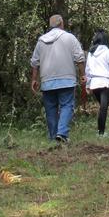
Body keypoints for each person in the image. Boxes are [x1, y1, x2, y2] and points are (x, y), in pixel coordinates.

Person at [30, 14, 85, 143]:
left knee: (50, 109)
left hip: (47, 81)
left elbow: (35, 62)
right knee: (67, 106)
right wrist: (83, 75)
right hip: (66, 79)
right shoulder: (70, 38)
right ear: (61, 23)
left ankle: (53, 137)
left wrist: (34, 79)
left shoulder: (41, 40)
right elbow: (80, 58)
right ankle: (62, 133)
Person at [85, 29, 109, 136]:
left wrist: (88, 85)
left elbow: (87, 70)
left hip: (94, 83)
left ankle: (100, 132)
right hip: (105, 82)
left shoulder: (91, 54)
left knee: (102, 107)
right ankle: (101, 133)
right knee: (103, 108)